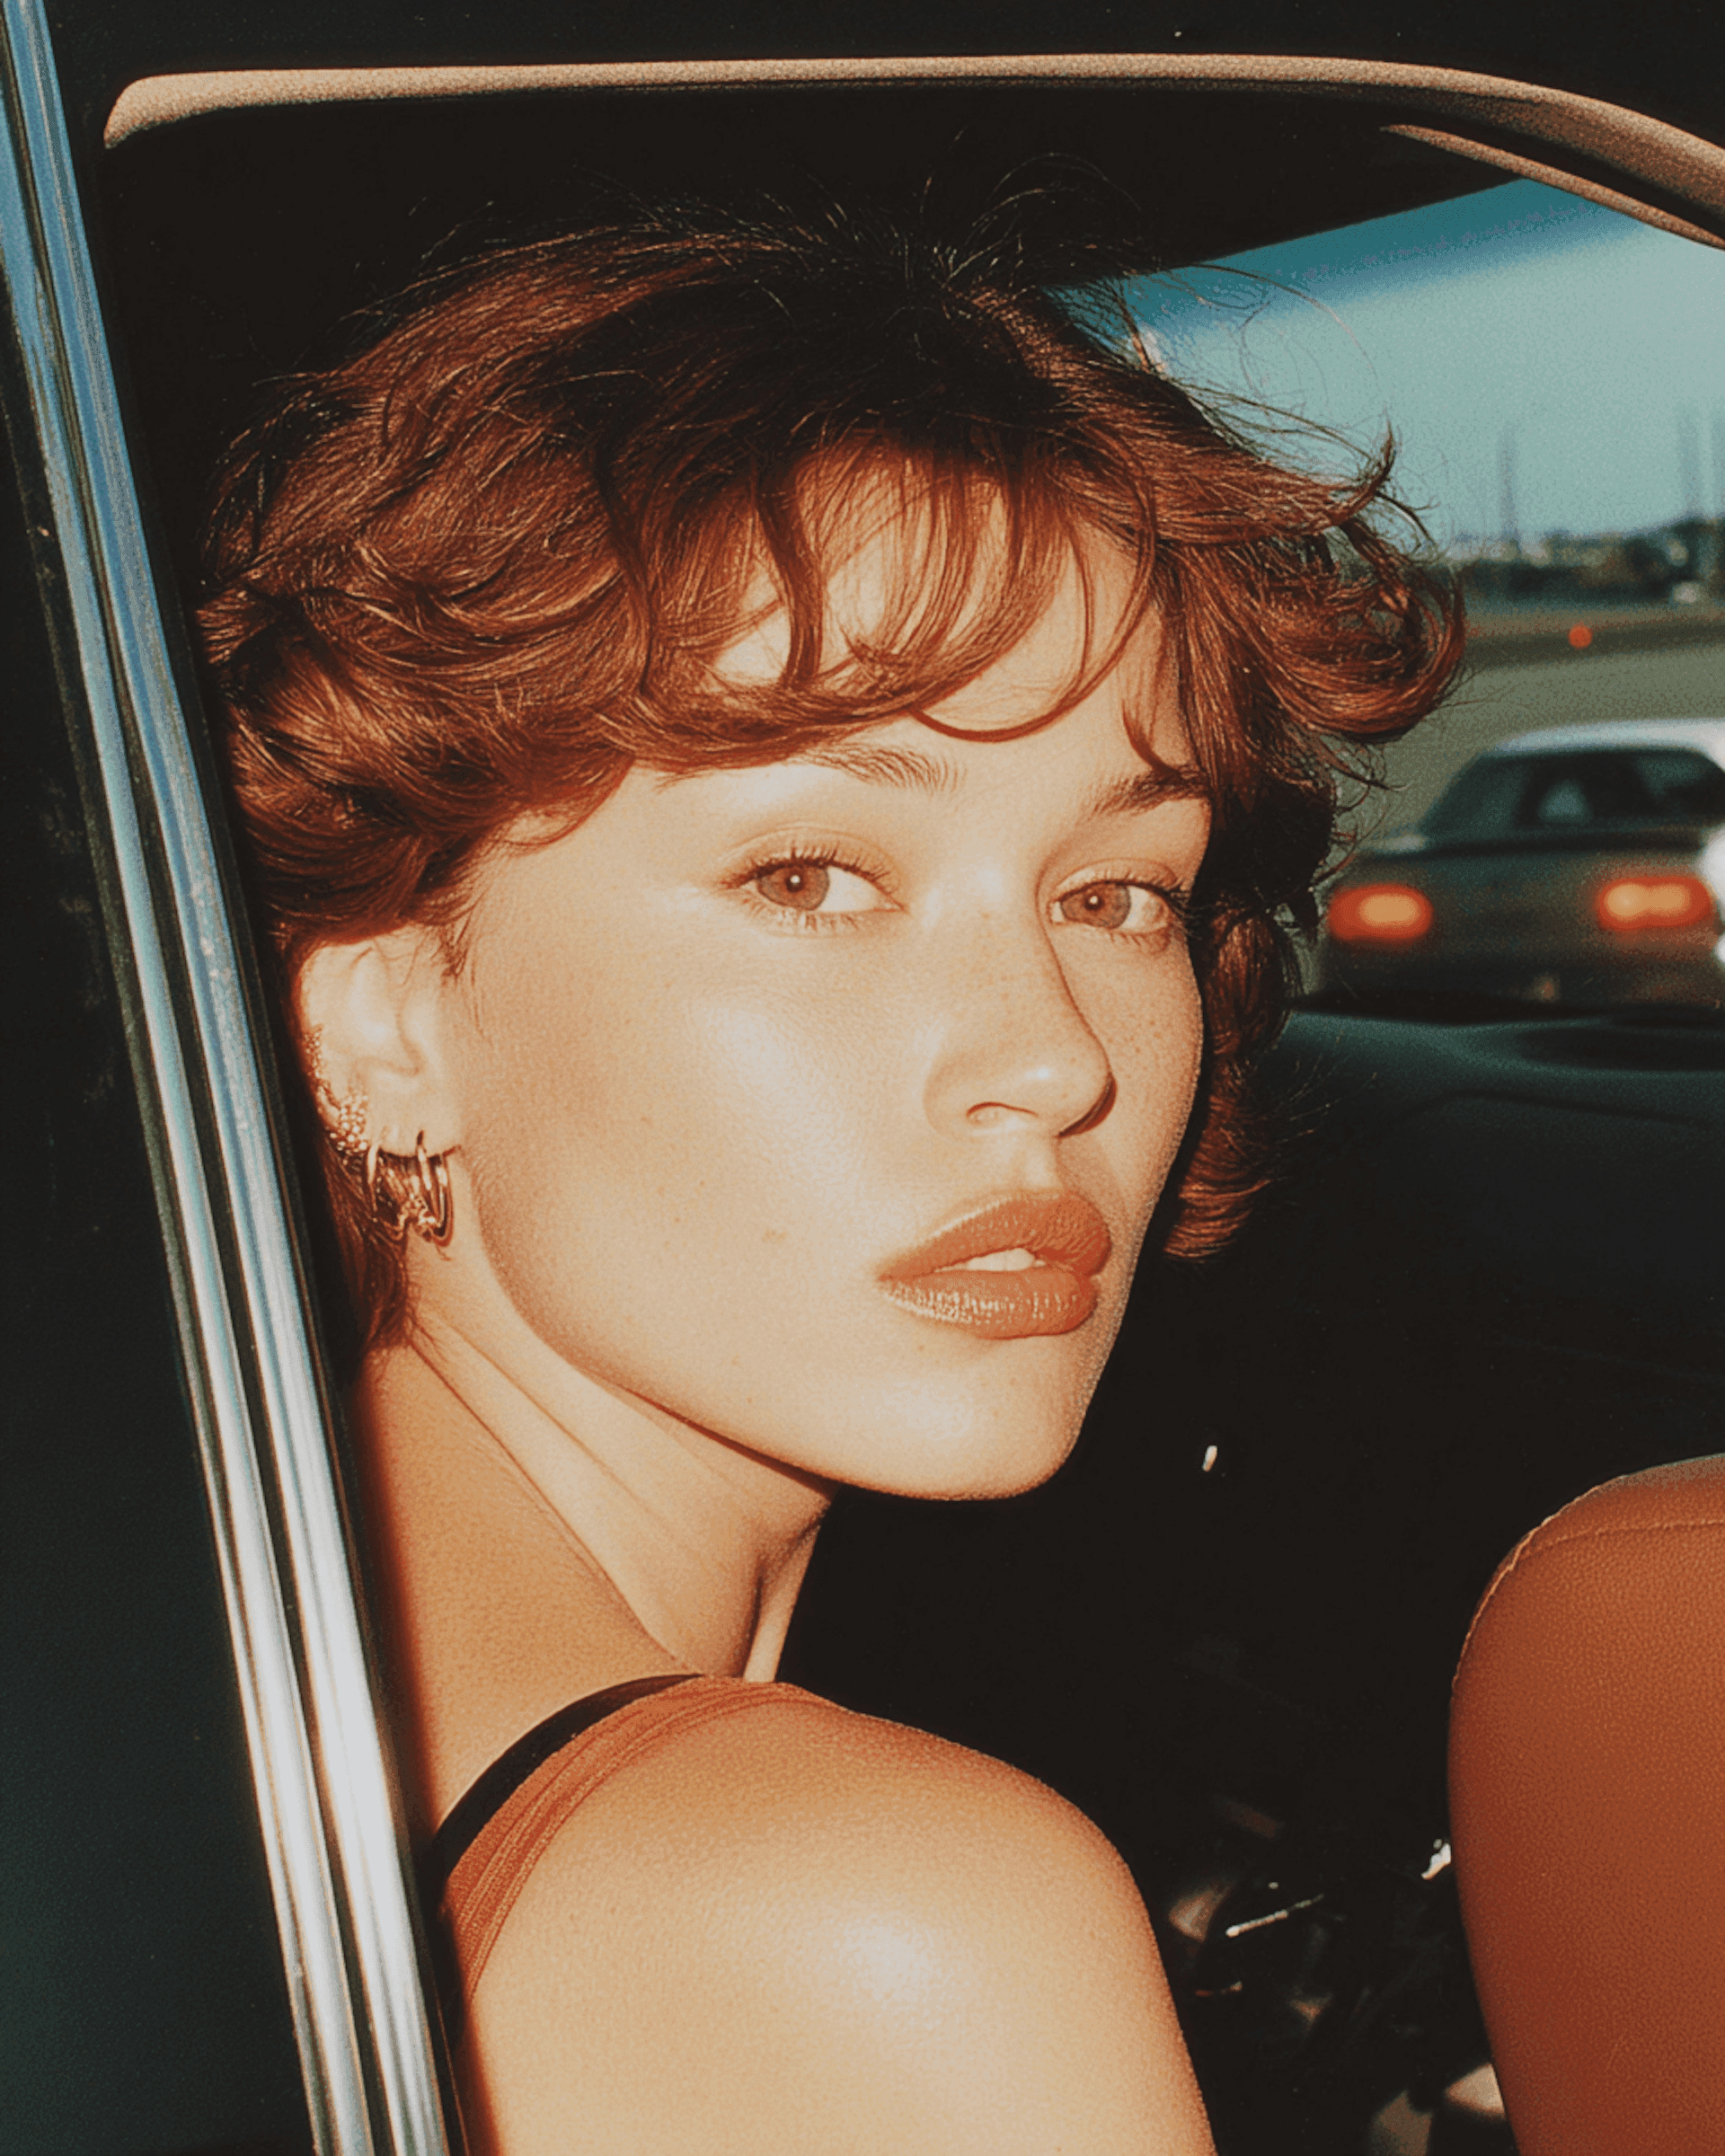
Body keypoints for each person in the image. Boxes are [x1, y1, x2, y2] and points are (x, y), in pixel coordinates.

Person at [199, 199, 1460, 2153]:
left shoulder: (206, 1711)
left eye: (1119, 890)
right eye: (811, 879)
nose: (1052, 1056)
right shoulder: (882, 1927)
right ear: (383, 1027)